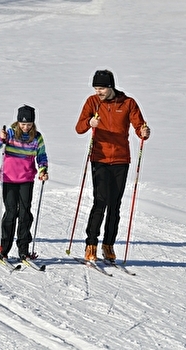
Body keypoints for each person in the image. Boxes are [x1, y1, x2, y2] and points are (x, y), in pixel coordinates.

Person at [75, 69, 150, 262]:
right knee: (100, 201)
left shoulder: (127, 103)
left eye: (101, 88)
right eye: (95, 88)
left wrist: (143, 132)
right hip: (99, 158)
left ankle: (108, 245)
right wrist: (90, 122)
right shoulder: (92, 102)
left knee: (115, 205)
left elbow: (139, 126)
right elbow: (79, 128)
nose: (97, 91)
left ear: (110, 87)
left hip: (120, 160)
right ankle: (91, 244)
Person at [0, 104, 49, 261]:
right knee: (10, 213)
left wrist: (43, 170)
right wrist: (0, 139)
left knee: (24, 214)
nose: (25, 127)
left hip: (26, 179)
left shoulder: (37, 137)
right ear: (17, 122)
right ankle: (4, 248)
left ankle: (23, 249)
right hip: (9, 178)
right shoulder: (9, 133)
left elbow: (41, 156)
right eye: (23, 124)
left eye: (29, 124)